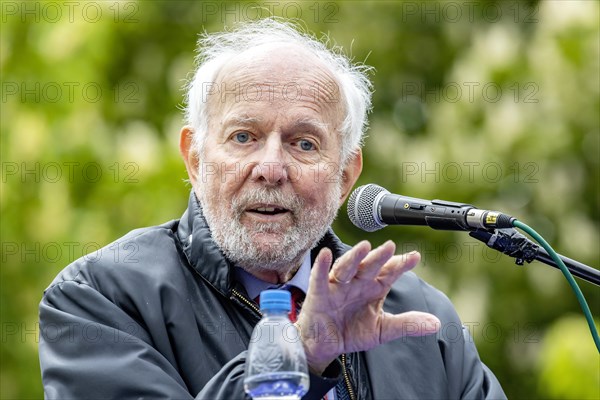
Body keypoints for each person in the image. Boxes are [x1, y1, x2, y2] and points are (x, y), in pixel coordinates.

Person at [39, 19, 506, 399]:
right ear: (196, 160)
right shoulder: (99, 298)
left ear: (345, 176)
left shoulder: (422, 319)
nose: (271, 168)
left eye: (304, 143)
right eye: (244, 137)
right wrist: (297, 353)